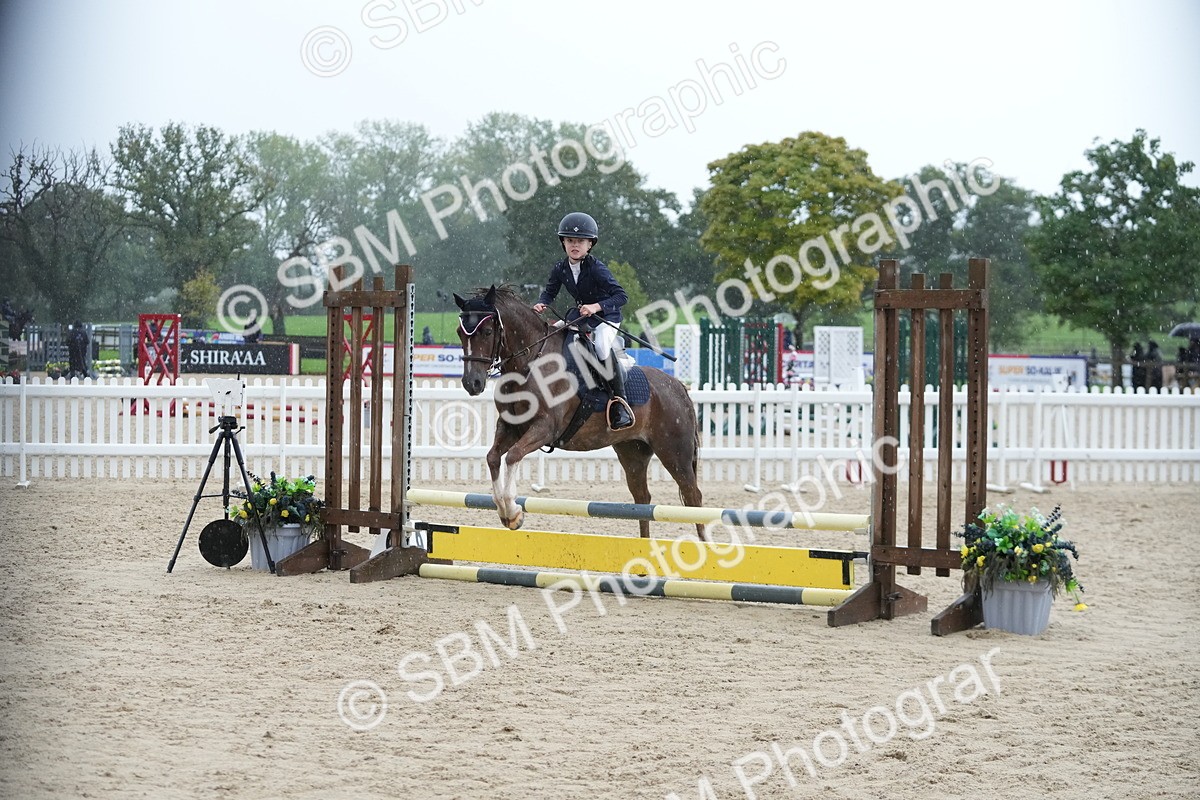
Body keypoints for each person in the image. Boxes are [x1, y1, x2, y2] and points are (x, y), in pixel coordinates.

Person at [532, 212, 633, 430]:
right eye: (570, 241)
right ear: (563, 243)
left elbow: (621, 296)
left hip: (606, 317)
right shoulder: (561, 268)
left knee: (602, 346)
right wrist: (542, 303)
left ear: (589, 245)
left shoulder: (596, 268)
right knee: (553, 334)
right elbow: (549, 292)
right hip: (582, 317)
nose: (574, 245)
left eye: (580, 242)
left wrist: (597, 306)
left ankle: (619, 403)